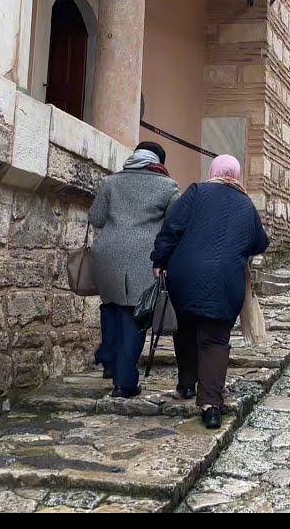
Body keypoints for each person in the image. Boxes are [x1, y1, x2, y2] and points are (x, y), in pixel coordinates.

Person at [151, 155, 269, 429]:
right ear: (236, 175)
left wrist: (159, 260)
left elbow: (172, 227)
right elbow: (260, 242)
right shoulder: (245, 204)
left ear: (213, 171)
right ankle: (211, 405)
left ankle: (186, 384)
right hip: (226, 280)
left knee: (185, 329)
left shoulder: (196, 192)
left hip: (185, 274)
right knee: (215, 339)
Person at [89, 141, 180, 398]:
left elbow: (95, 218)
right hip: (145, 258)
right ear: (159, 161)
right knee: (135, 316)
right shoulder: (168, 187)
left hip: (107, 254)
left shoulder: (111, 182)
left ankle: (109, 359)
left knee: (111, 305)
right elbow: (175, 226)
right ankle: (125, 382)